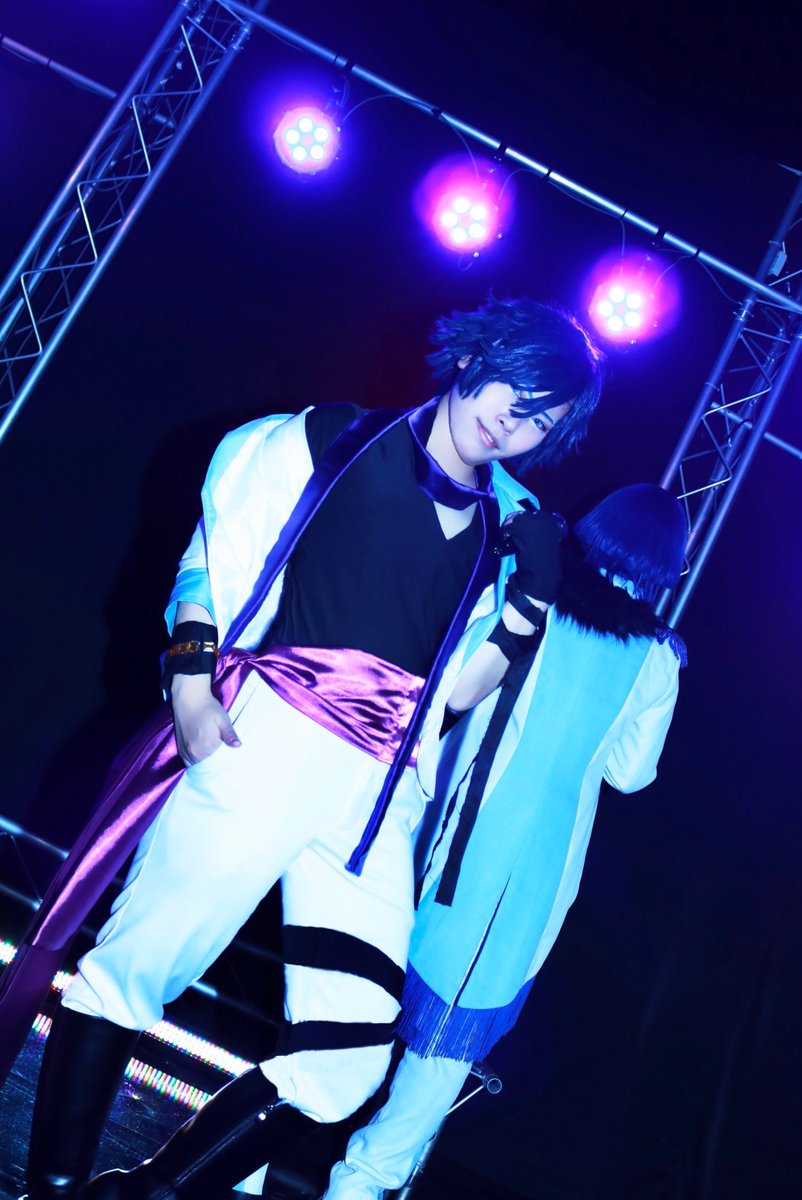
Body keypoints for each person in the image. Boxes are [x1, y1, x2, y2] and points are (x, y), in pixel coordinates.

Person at [0, 296, 603, 1200]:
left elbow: (452, 696)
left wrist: (530, 605)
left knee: (350, 1053)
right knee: (136, 967)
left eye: (541, 422)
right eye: (516, 391)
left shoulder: (501, 533)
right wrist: (191, 691)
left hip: (377, 798)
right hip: (269, 737)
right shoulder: (331, 439)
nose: (513, 423)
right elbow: (215, 556)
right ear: (476, 357)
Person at [320, 484, 688, 1200]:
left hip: (451, 817)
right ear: (667, 562)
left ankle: (268, 1139)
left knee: (357, 981)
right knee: (449, 1043)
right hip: (538, 869)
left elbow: (460, 674)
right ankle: (358, 1185)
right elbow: (630, 774)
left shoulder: (534, 589)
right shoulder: (657, 659)